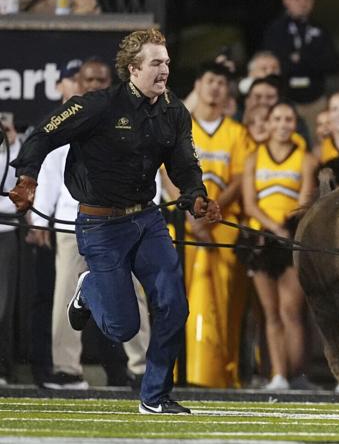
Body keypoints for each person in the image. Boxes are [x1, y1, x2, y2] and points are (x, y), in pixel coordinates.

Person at [8, 27, 220, 414]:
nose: (165, 70)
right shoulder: (98, 105)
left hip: (147, 220)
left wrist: (196, 195)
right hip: (101, 225)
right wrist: (27, 179)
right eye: (157, 63)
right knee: (123, 327)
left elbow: (184, 164)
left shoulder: (174, 111)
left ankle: (154, 396)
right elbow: (44, 134)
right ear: (133, 69)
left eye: (168, 62)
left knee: (174, 303)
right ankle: (89, 289)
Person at [32, 58, 152, 390]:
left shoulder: (130, 116)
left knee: (132, 293)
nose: (96, 83)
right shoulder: (66, 119)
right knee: (66, 294)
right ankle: (67, 369)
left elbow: (145, 167)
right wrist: (41, 216)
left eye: (102, 78)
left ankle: (142, 368)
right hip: (73, 222)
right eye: (90, 79)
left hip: (121, 223)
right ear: (80, 83)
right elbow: (49, 169)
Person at [173, 62, 254, 389]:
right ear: (199, 84)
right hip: (183, 225)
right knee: (175, 300)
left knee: (227, 303)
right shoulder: (181, 127)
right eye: (210, 80)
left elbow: (239, 178)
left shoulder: (236, 132)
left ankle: (223, 374)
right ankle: (175, 372)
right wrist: (190, 212)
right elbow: (166, 172)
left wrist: (210, 212)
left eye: (222, 82)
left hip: (222, 224)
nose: (216, 87)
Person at [241, 102, 318, 390]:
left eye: (289, 118)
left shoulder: (306, 159)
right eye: (277, 118)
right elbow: (250, 203)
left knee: (291, 311)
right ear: (269, 123)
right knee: (270, 313)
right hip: (261, 241)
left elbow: (303, 203)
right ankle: (277, 376)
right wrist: (272, 228)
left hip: (290, 241)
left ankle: (298, 375)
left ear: (294, 124)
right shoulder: (253, 158)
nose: (283, 124)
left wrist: (283, 230)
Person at [263, 0, 339, 129]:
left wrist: (300, 58)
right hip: (284, 101)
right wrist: (312, 59)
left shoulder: (320, 29)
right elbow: (273, 64)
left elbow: (334, 63)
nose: (303, 2)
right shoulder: (275, 30)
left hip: (316, 101)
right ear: (286, 0)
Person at [0, 111, 21, 387]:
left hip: (4, 233)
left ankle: (3, 369)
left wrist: (13, 143)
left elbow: (16, 192)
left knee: (3, 305)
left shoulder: (13, 150)